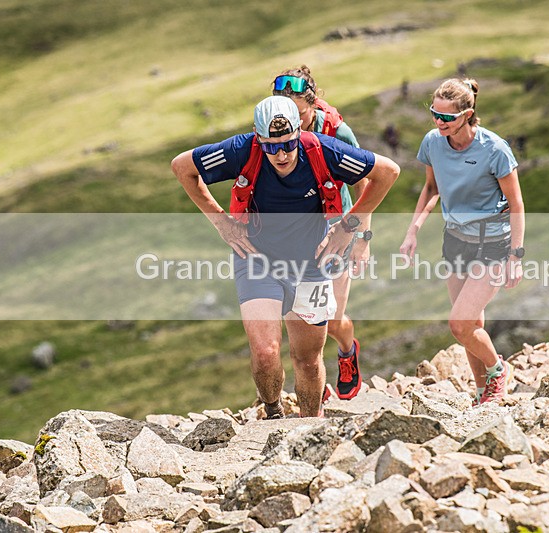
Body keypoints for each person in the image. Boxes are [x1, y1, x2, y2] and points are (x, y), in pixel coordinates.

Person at [171, 96, 399, 418]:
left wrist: (350, 225)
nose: (280, 154)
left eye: (288, 144)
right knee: (265, 353)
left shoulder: (322, 150)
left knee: (306, 359)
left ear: (299, 132)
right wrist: (219, 220)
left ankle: (310, 428)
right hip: (257, 259)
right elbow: (182, 167)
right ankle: (274, 412)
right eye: (270, 146)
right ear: (257, 136)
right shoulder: (241, 150)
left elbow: (387, 172)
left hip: (312, 264)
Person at [400, 78, 524, 405]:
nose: (438, 122)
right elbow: (431, 188)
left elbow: (517, 204)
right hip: (454, 241)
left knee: (460, 324)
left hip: (493, 244)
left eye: (446, 118)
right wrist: (413, 230)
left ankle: (498, 370)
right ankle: (484, 393)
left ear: (467, 114)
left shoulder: (494, 149)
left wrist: (516, 256)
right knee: (473, 323)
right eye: (434, 115)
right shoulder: (432, 142)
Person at [272, 65, 369, 400]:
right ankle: (314, 381)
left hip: (336, 229)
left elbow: (365, 184)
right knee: (300, 317)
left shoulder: (336, 131)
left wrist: (361, 239)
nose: (292, 124)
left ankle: (346, 351)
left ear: (313, 105)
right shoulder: (272, 127)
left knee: (331, 318)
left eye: (299, 114)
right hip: (293, 234)